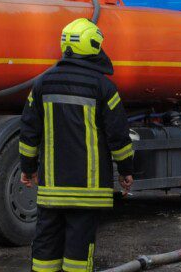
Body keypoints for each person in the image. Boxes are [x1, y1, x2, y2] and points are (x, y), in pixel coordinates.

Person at [19, 17, 134, 272]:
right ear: (93, 46)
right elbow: (118, 136)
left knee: (45, 250)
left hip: (51, 189)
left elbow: (28, 132)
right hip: (88, 191)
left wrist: (27, 168)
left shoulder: (42, 84)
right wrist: (126, 170)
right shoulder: (104, 87)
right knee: (79, 255)